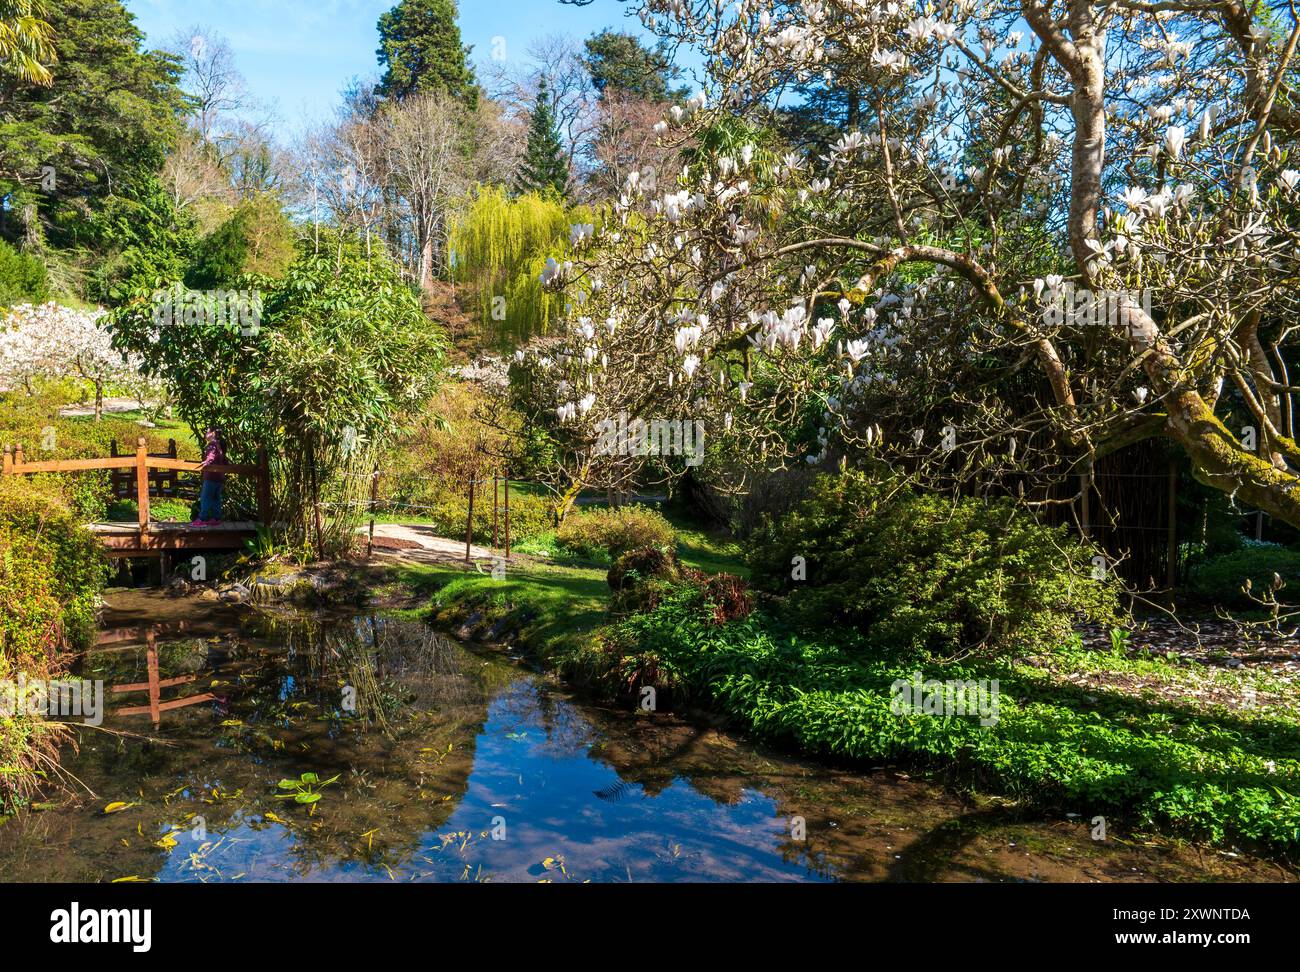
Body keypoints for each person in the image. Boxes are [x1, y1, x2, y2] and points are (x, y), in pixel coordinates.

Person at [194, 429, 226, 526]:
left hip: (211, 476)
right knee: (216, 498)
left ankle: (202, 519)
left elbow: (211, 456)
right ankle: (216, 518)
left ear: (213, 434)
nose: (205, 434)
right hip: (219, 476)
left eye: (207, 432)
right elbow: (223, 458)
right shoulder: (219, 444)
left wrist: (206, 462)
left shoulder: (212, 445)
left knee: (205, 497)